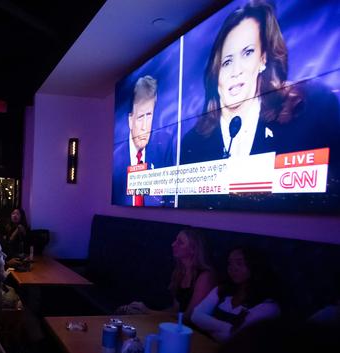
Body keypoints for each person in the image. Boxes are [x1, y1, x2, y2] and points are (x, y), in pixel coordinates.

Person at [181, 0, 340, 164]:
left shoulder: (313, 109)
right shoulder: (193, 143)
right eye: (227, 62)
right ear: (216, 73)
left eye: (248, 53)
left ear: (263, 59)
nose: (236, 71)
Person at [117, 228, 216, 322]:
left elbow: (190, 317)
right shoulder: (179, 272)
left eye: (180, 243)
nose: (173, 244)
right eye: (175, 240)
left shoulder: (205, 276)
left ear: (193, 249)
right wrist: (142, 313)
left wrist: (148, 312)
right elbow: (176, 310)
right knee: (124, 311)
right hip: (177, 327)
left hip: (194, 332)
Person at [192, 246, 281, 342]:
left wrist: (207, 326)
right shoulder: (222, 290)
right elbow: (195, 316)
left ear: (254, 266)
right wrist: (228, 327)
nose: (233, 268)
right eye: (230, 263)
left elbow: (238, 338)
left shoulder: (268, 305)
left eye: (239, 263)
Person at [121, 75, 174, 206]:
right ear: (130, 120)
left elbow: (169, 200)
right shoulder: (115, 162)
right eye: (140, 117)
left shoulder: (163, 149)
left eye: (149, 115)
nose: (145, 127)